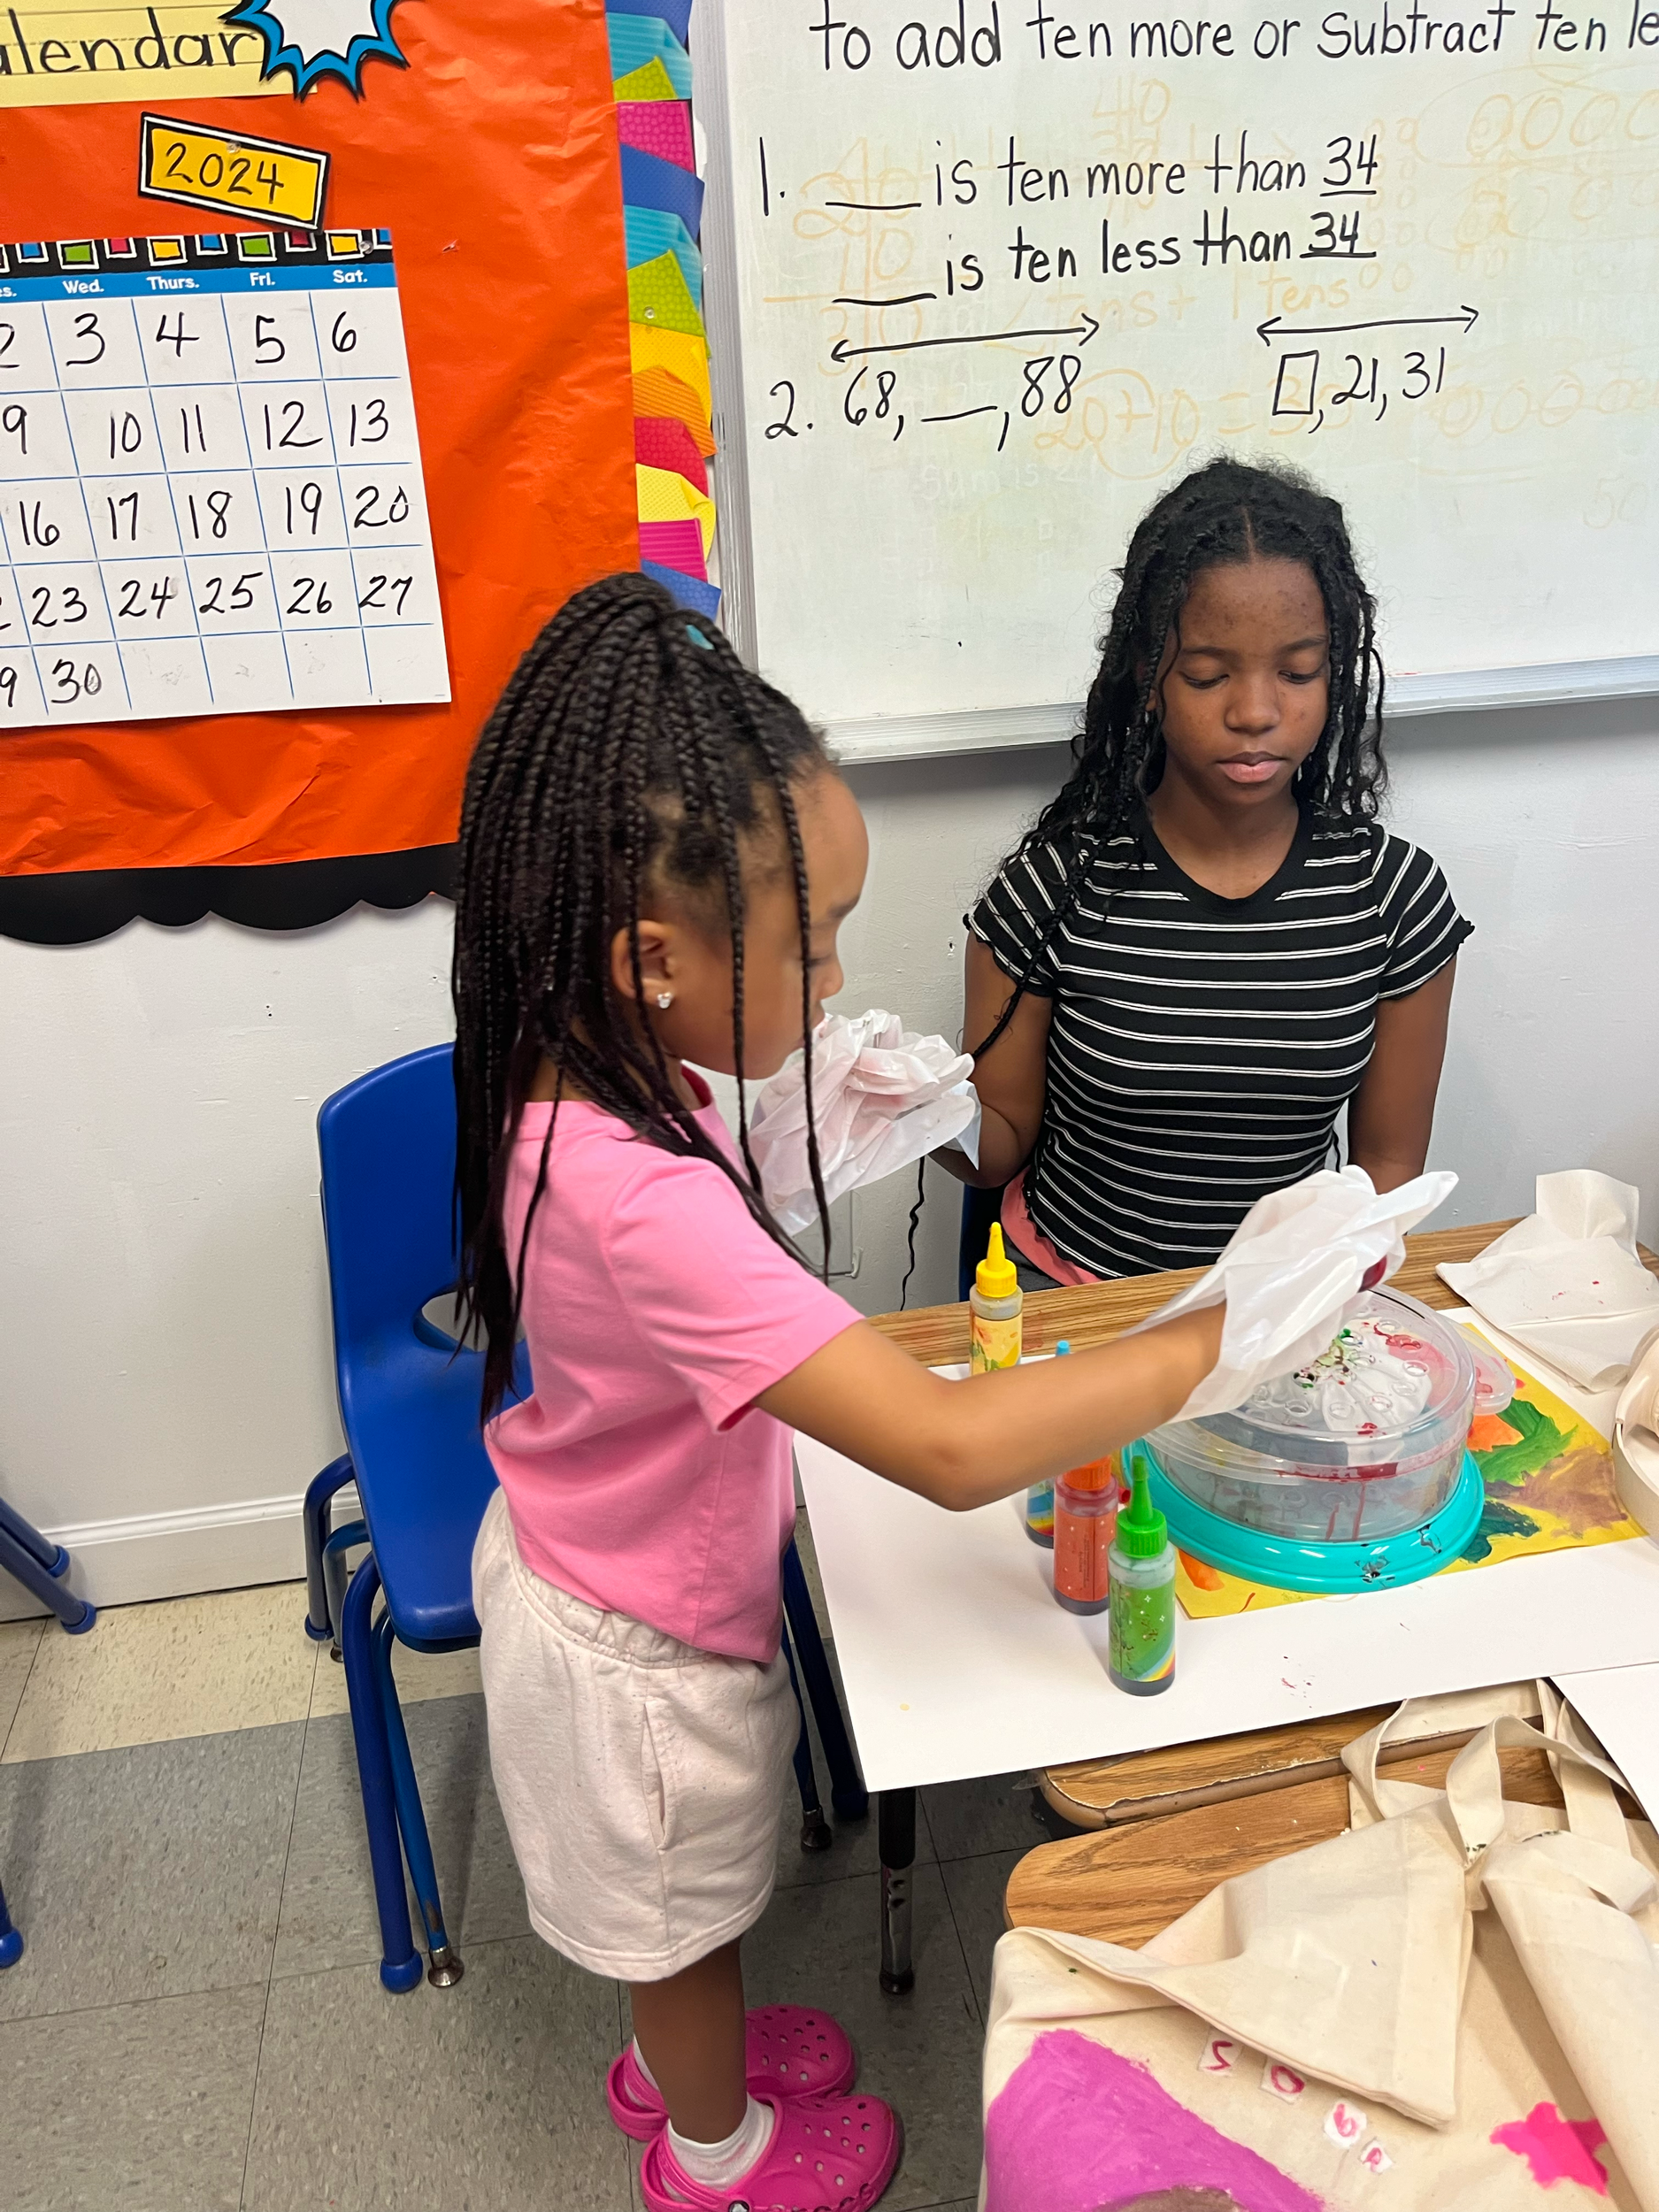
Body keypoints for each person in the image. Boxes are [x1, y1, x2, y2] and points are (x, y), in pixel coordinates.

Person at [450, 573, 1225, 2212]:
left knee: (687, 1916)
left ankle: (680, 2050)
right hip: (633, 1651)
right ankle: (713, 2150)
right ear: (654, 955)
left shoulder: (586, 1047)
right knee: (684, 1908)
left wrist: (840, 1097)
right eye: (811, 947)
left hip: (609, 1558)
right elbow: (944, 1444)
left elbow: (738, 1169)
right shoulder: (635, 1184)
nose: (832, 977)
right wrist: (1201, 1346)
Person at [946, 456, 1473, 1290]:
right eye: (1207, 674)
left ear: (1335, 677)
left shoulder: (1394, 901)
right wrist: (912, 1115)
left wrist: (1296, 1324)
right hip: (1078, 1302)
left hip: (1283, 1311)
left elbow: (1384, 1171)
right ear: (1148, 681)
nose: (1255, 712)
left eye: (1297, 672)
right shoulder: (1052, 892)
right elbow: (995, 1144)